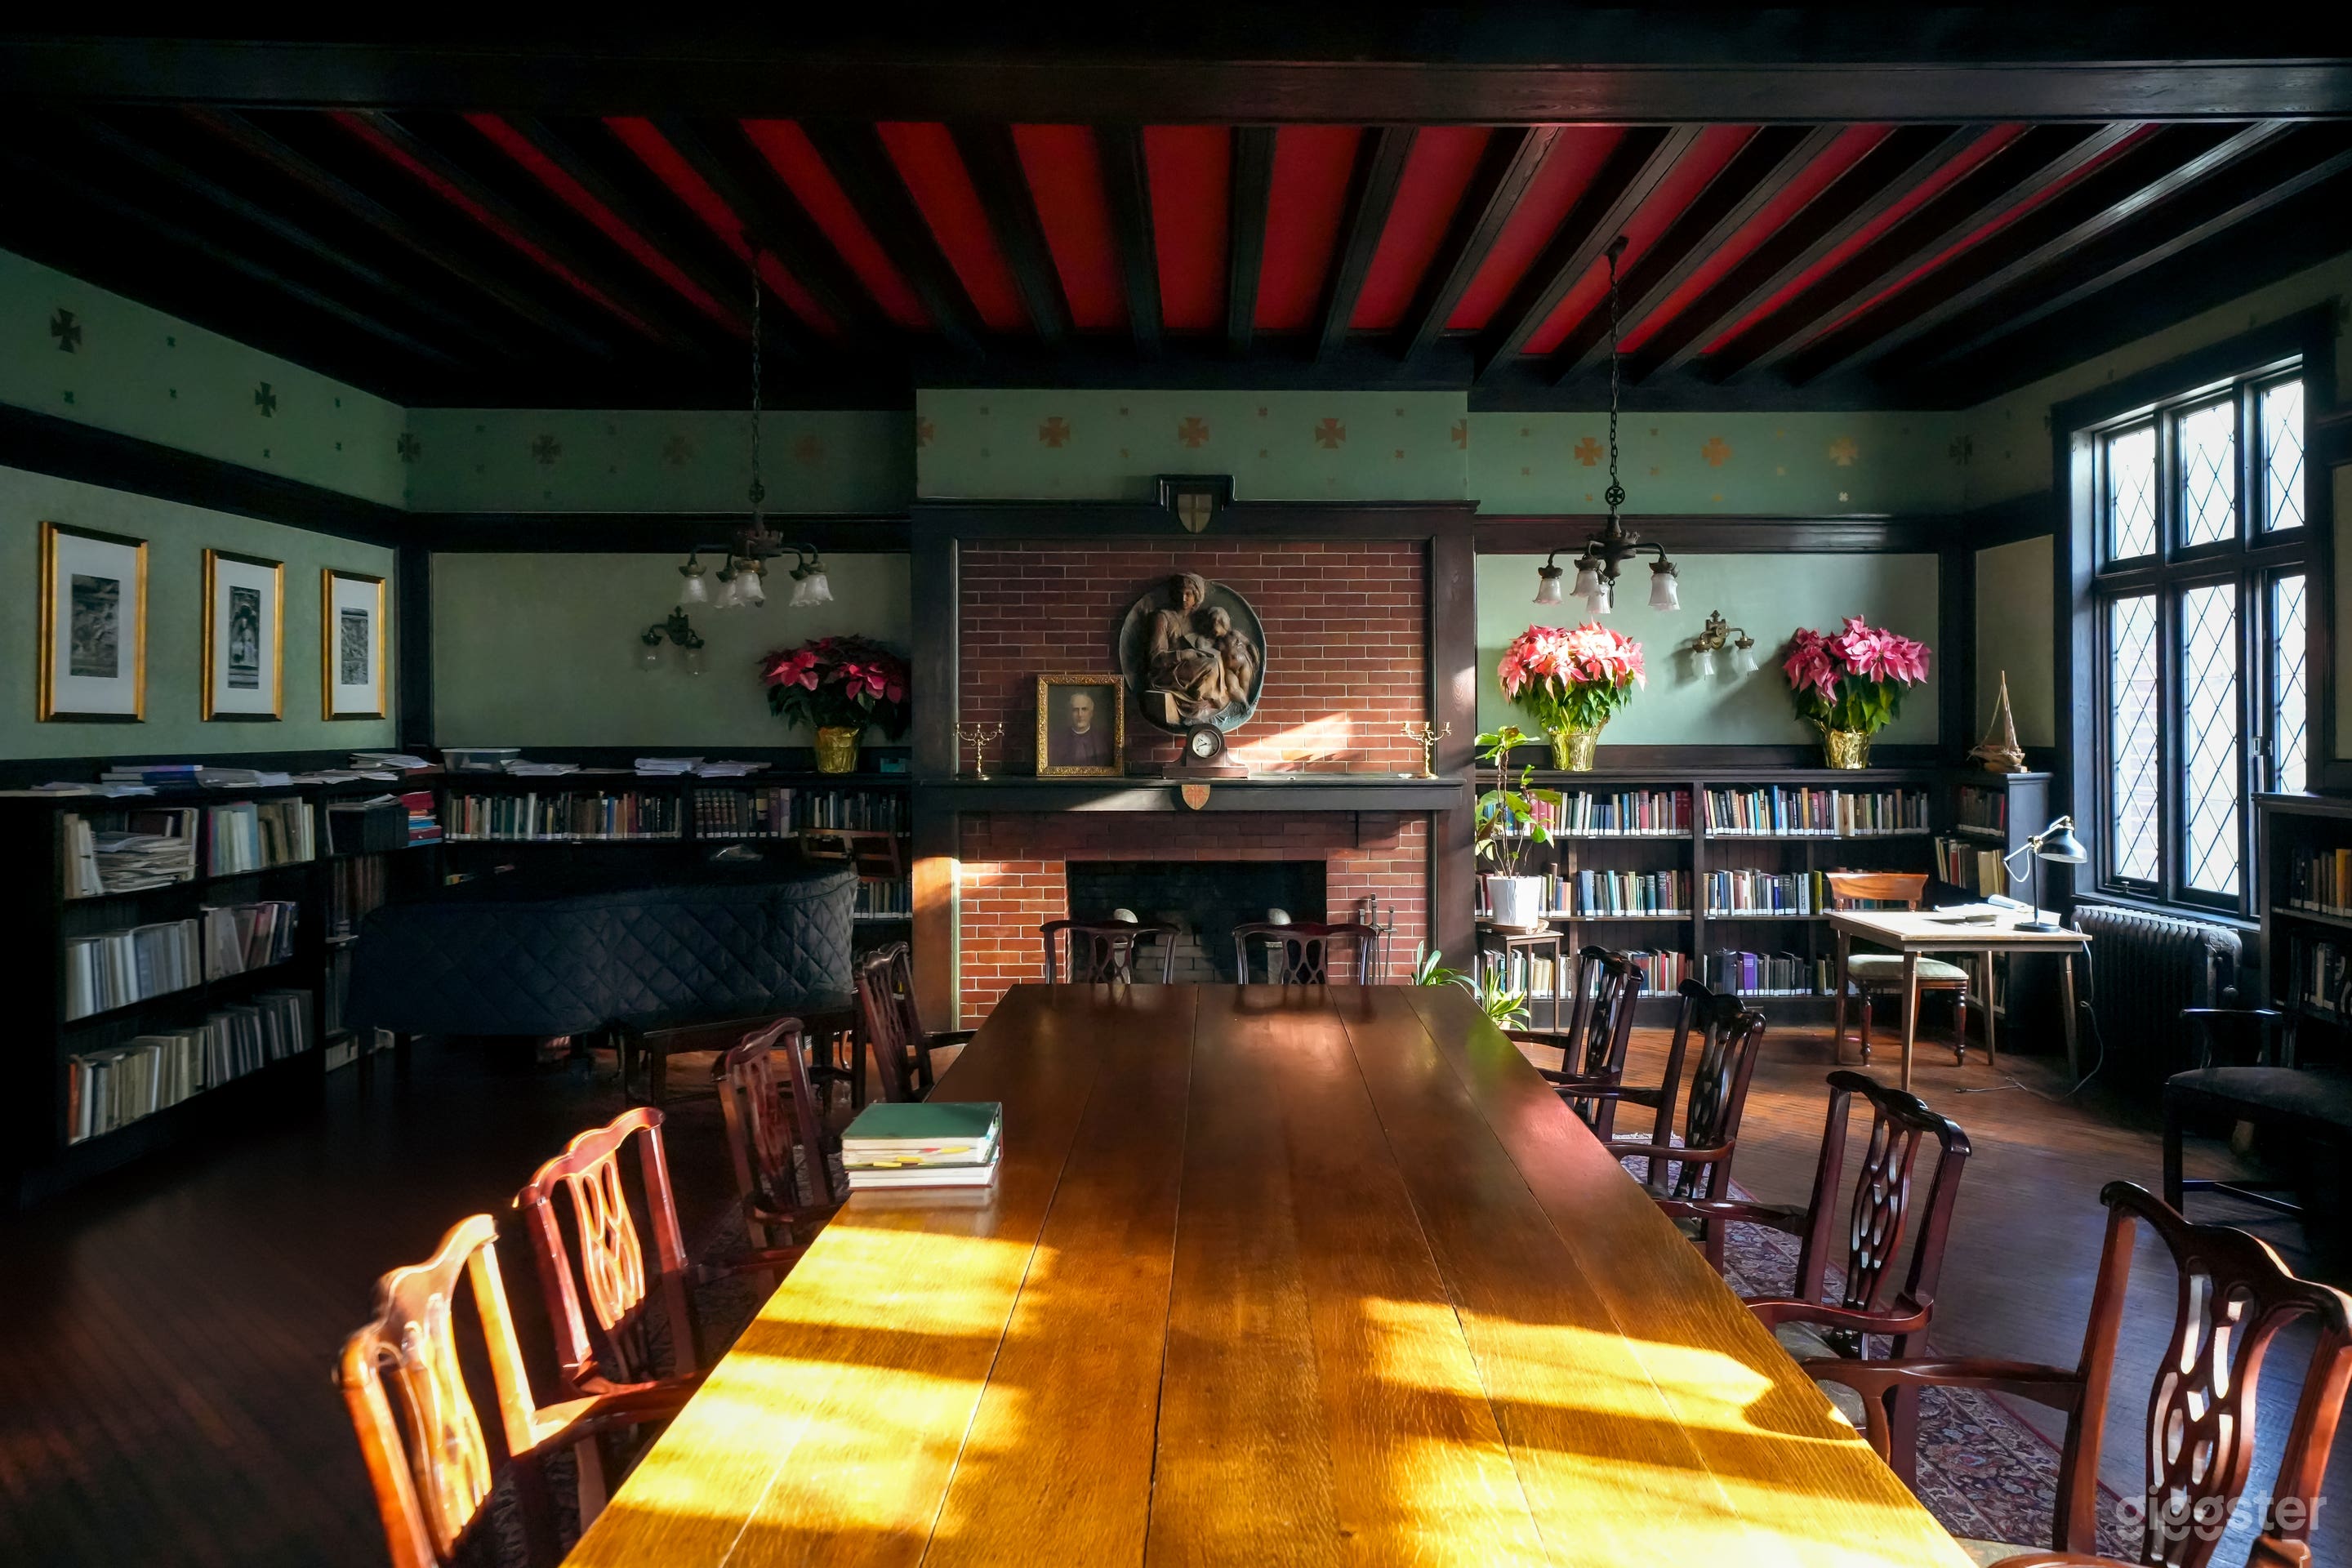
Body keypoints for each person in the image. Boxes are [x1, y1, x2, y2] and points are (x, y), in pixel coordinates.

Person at [1052, 687, 1115, 768]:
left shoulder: (1104, 740)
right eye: (1075, 710)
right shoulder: (1057, 741)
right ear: (1070, 713)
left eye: (1084, 709)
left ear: (1091, 713)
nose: (1080, 715)